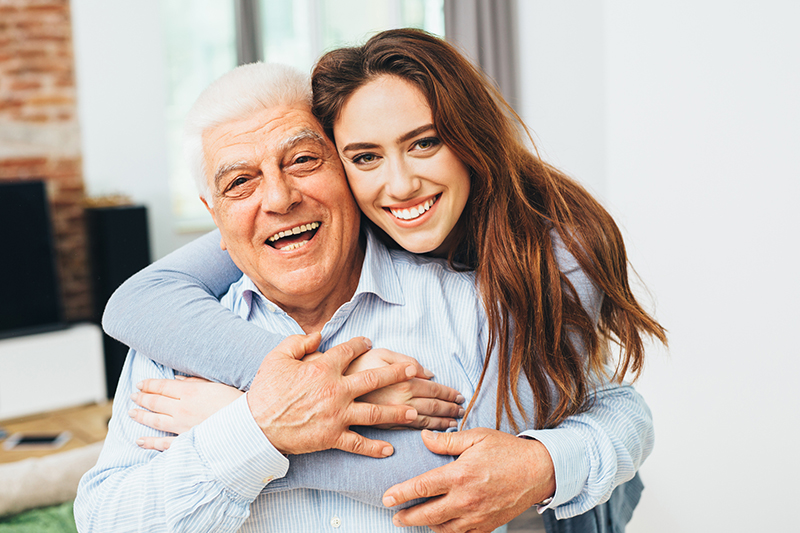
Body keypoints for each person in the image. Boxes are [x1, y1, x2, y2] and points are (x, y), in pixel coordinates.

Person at [102, 29, 665, 532]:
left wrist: (247, 427)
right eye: (367, 156)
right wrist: (295, 399)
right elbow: (136, 304)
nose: (399, 185)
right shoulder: (183, 329)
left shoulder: (537, 262)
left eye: (302, 160)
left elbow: (469, 481)